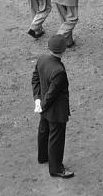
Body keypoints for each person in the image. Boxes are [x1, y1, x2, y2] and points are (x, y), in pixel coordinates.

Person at [31, 34, 73, 178]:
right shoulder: (59, 71)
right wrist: (42, 105)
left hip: (43, 105)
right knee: (56, 137)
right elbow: (52, 94)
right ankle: (56, 168)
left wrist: (38, 101)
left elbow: (35, 78)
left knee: (44, 130)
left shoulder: (42, 59)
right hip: (56, 110)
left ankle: (43, 156)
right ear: (64, 50)